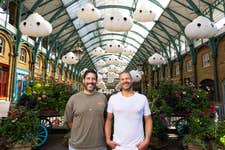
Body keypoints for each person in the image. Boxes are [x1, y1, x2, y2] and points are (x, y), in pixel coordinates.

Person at [105, 71, 153, 150]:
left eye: (127, 78)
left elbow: (148, 120)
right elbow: (109, 120)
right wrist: (108, 140)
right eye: (122, 79)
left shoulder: (142, 98)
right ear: (120, 82)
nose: (125, 81)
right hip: (118, 146)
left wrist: (147, 140)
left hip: (138, 145)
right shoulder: (113, 98)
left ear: (131, 80)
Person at [64, 69, 107, 150]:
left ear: (96, 81)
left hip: (99, 145)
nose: (90, 81)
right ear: (83, 80)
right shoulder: (73, 99)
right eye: (88, 78)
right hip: (77, 146)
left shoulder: (103, 98)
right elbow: (69, 121)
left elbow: (105, 119)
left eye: (93, 79)